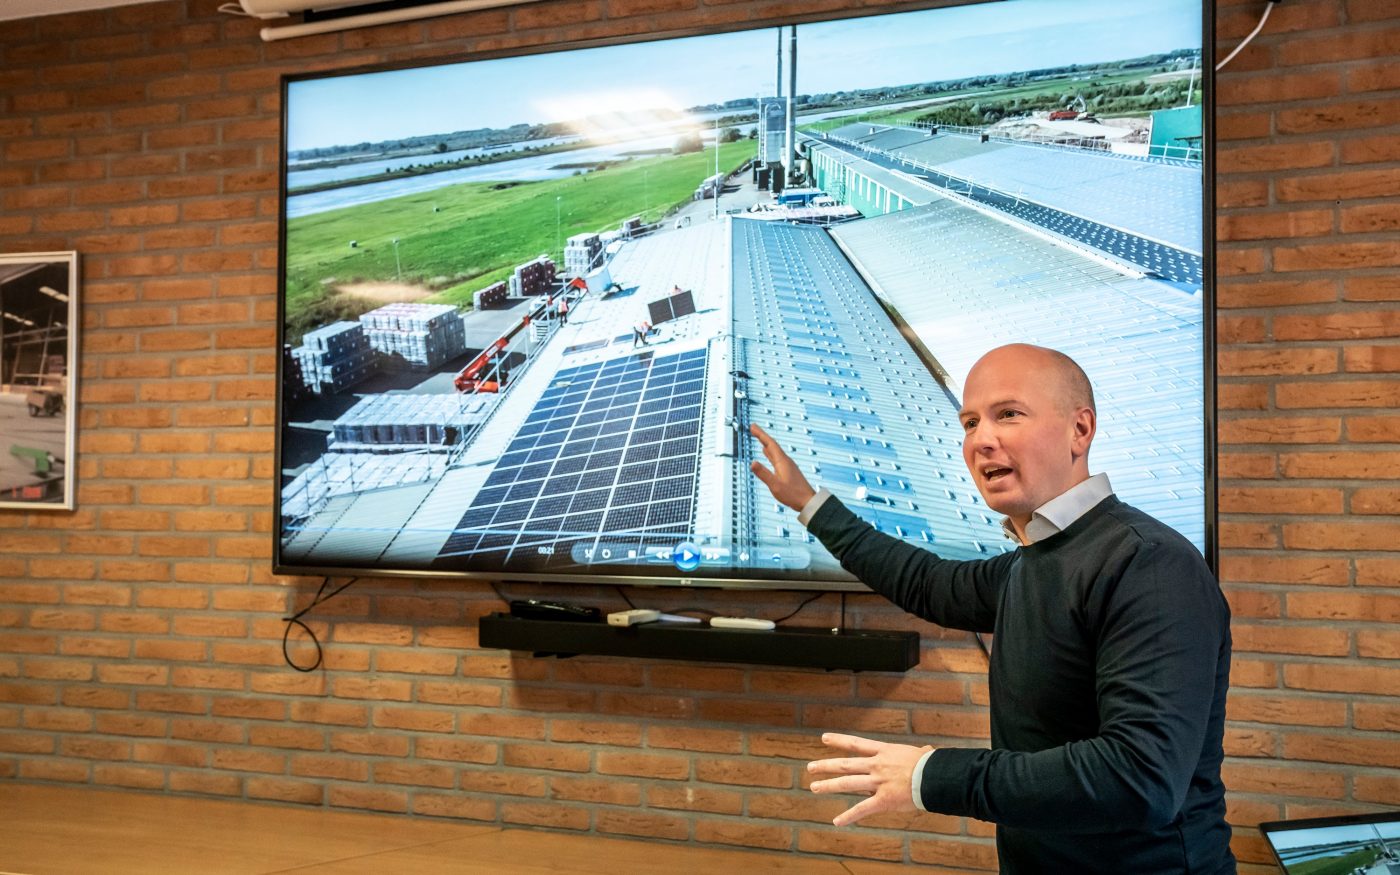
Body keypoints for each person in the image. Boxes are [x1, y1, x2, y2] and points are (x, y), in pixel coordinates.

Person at [749, 343, 1233, 874]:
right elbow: (925, 582)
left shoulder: (1148, 563)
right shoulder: (1032, 561)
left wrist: (929, 776)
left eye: (1009, 414)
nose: (982, 439)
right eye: (970, 422)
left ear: (1080, 430)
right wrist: (809, 504)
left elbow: (1138, 777)